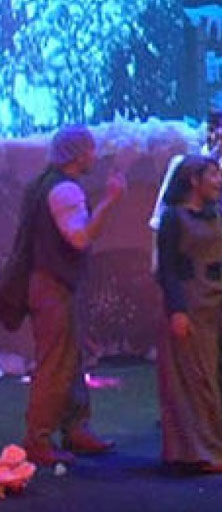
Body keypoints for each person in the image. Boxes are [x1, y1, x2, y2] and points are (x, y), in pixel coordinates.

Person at [149, 103, 222, 399]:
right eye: (217, 128)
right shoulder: (192, 164)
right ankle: (187, 400)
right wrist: (156, 256)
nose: (220, 134)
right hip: (188, 257)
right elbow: (162, 213)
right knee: (185, 328)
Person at [22, 124, 125, 466]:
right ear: (78, 154)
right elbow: (80, 238)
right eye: (90, 149)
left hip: (52, 283)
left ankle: (76, 427)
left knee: (71, 359)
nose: (95, 155)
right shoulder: (64, 190)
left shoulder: (44, 184)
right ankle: (37, 439)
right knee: (56, 364)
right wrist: (110, 201)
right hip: (53, 286)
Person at [155, 155, 222, 473]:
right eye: (213, 175)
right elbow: (168, 268)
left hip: (215, 303)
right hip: (189, 302)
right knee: (194, 381)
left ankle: (212, 447)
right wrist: (177, 310)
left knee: (214, 376)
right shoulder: (174, 217)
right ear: (194, 180)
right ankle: (199, 452)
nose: (219, 181)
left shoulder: (216, 214)